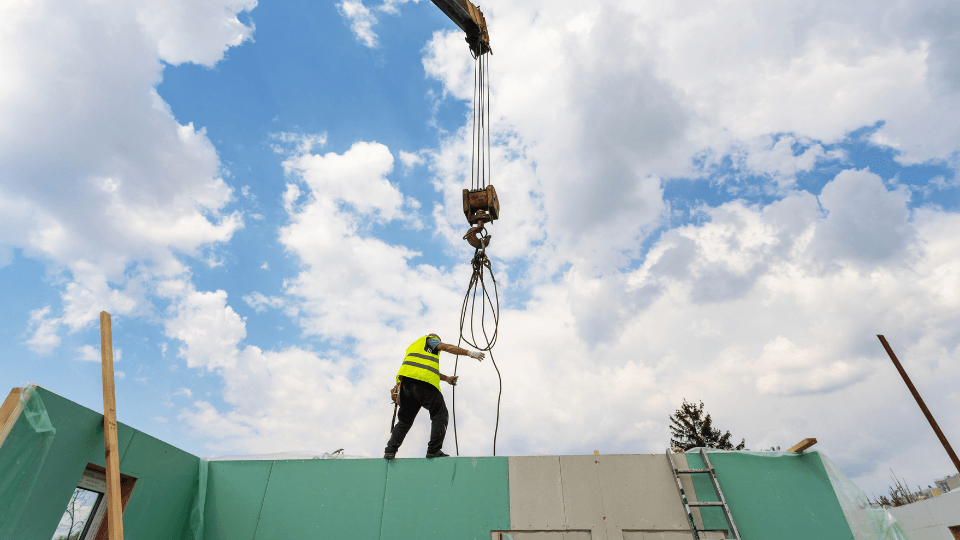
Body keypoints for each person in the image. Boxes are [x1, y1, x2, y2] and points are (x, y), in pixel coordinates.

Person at [384, 333, 484, 459]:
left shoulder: (414, 347)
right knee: (440, 413)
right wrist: (470, 353)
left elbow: (424, 368)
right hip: (423, 384)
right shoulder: (431, 340)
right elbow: (447, 347)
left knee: (404, 421)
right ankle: (433, 450)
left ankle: (390, 451)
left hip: (406, 386)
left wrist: (447, 378)